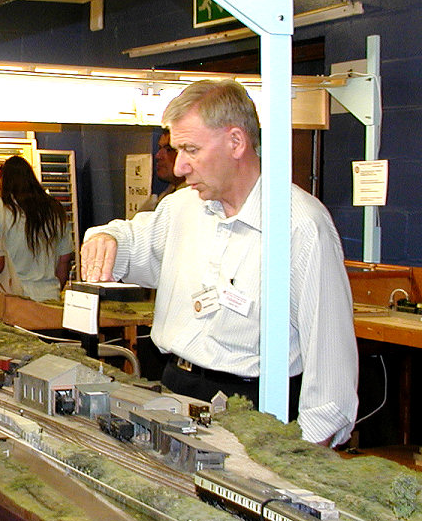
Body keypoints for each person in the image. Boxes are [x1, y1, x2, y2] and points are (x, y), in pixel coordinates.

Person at [80, 79, 358, 447]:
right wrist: (107, 238)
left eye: (191, 149)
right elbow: (133, 243)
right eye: (177, 150)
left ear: (236, 142)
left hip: (254, 410)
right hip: (176, 390)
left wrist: (303, 456)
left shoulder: (300, 226)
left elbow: (331, 365)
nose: (180, 166)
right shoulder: (181, 208)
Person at [0, 155, 73, 301]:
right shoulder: (55, 210)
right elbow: (64, 261)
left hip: (11, 297)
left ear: (4, 181)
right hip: (49, 296)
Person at [135, 129, 186, 214]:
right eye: (159, 148)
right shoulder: (169, 193)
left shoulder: (193, 198)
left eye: (169, 150)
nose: (158, 156)